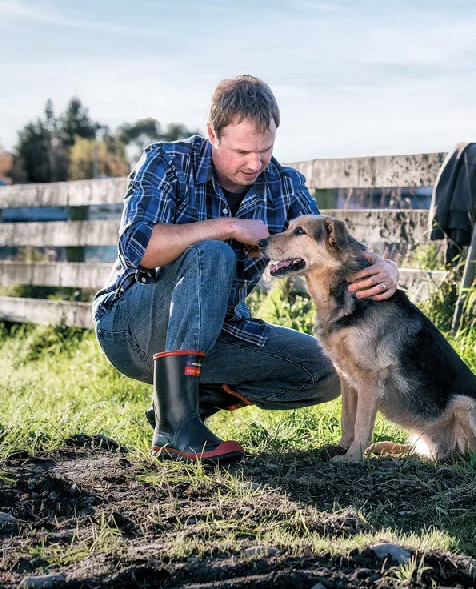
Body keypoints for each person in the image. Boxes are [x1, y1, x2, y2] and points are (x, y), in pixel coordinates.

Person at [92, 75, 399, 464]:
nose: (255, 164)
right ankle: (174, 429)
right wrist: (228, 227)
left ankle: (186, 401)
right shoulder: (166, 162)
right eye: (241, 151)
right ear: (212, 134)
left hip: (217, 331)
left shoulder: (282, 184)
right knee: (213, 253)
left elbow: (331, 245)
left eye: (265, 149)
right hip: (131, 326)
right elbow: (137, 249)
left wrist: (383, 265)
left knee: (324, 371)